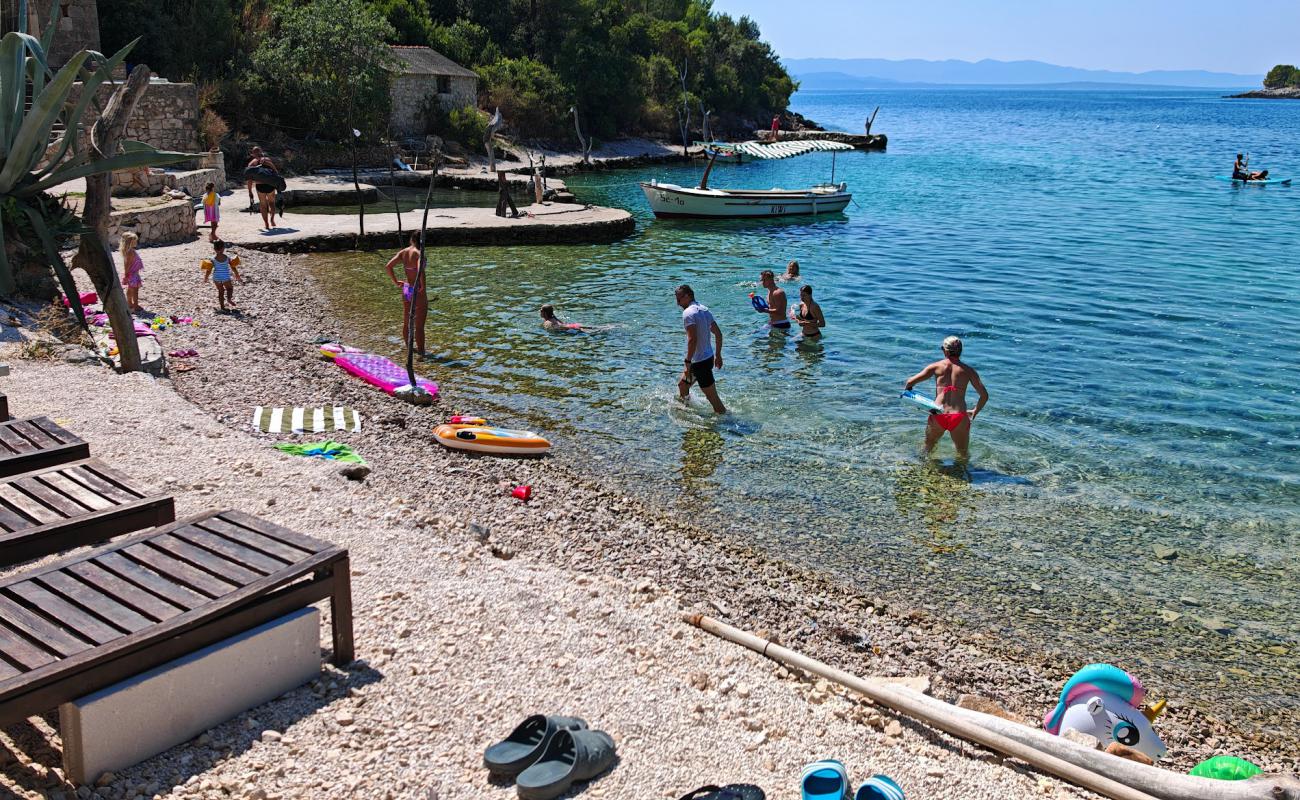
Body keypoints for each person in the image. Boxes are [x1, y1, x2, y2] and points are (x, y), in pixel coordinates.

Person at [903, 336, 989, 460]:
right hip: (959, 416)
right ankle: (962, 476)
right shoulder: (968, 371)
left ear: (945, 351)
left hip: (938, 413)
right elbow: (984, 396)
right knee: (963, 454)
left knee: (927, 449)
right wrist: (975, 411)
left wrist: (914, 398)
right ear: (960, 351)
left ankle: (923, 472)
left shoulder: (936, 367)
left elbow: (910, 383)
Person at [675, 285, 726, 414]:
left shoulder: (688, 314)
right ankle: (687, 411)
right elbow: (718, 334)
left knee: (713, 398)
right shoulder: (704, 310)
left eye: (679, 299)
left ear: (688, 296)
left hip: (700, 363)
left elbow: (693, 340)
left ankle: (728, 422)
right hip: (707, 358)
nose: (677, 303)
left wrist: (687, 361)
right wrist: (718, 355)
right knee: (683, 385)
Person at [384, 231, 428, 354]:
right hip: (417, 290)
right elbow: (420, 270)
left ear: (411, 239)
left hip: (407, 289)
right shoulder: (419, 253)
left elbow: (388, 266)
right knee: (419, 326)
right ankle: (421, 353)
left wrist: (396, 282)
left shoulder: (404, 252)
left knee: (407, 322)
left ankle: (409, 349)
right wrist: (423, 287)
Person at [201, 240, 245, 312]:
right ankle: (229, 299)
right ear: (223, 248)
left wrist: (206, 278)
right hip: (225, 277)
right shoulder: (227, 258)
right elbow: (233, 268)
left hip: (216, 278)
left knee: (221, 292)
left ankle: (222, 307)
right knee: (230, 288)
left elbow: (208, 270)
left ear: (214, 249)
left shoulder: (212, 259)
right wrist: (237, 276)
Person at [119, 231, 143, 313]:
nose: (136, 242)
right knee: (135, 290)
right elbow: (127, 264)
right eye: (134, 241)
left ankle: (129, 303)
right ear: (130, 243)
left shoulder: (129, 251)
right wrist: (126, 274)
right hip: (132, 274)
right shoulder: (130, 252)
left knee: (130, 289)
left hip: (133, 273)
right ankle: (135, 305)